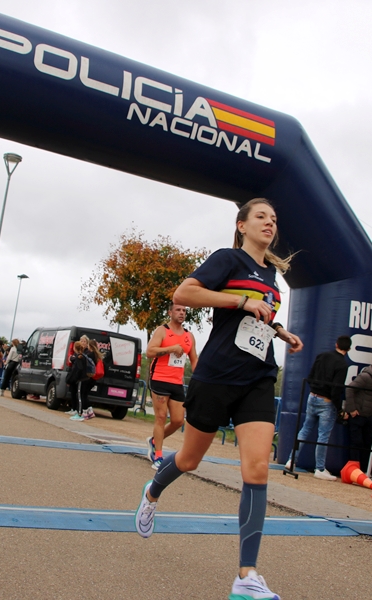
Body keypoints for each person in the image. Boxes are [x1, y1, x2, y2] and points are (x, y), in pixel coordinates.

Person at [135, 198, 303, 600]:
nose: (269, 223)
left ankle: (246, 576)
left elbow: (257, 315)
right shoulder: (227, 259)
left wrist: (279, 331)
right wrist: (241, 301)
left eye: (274, 219)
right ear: (242, 225)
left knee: (258, 468)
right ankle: (153, 492)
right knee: (190, 460)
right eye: (261, 217)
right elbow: (186, 292)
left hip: (259, 378)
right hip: (216, 377)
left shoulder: (270, 275)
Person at [284, 335, 351, 480]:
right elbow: (337, 389)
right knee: (323, 436)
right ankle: (319, 468)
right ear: (349, 349)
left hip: (312, 396)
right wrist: (339, 409)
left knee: (305, 429)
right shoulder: (342, 365)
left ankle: (291, 460)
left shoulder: (322, 356)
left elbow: (311, 375)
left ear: (336, 344)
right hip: (326, 402)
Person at [145, 304, 199, 470]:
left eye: (184, 310)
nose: (182, 313)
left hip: (176, 382)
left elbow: (194, 358)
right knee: (161, 417)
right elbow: (149, 351)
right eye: (178, 310)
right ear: (170, 312)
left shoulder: (189, 336)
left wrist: (199, 379)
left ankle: (154, 440)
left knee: (177, 420)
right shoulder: (162, 330)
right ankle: (158, 455)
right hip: (159, 378)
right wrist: (171, 348)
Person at [344, 356, 372, 473]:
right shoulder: (365, 377)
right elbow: (350, 389)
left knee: (367, 444)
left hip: (369, 416)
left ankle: (365, 470)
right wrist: (352, 409)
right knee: (356, 443)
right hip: (359, 415)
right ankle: (354, 470)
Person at [66, 341, 94, 421]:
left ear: (75, 348)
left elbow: (78, 369)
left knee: (80, 397)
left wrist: (74, 378)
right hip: (86, 378)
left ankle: (79, 414)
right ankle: (85, 413)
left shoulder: (79, 357)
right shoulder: (84, 356)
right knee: (82, 396)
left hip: (81, 380)